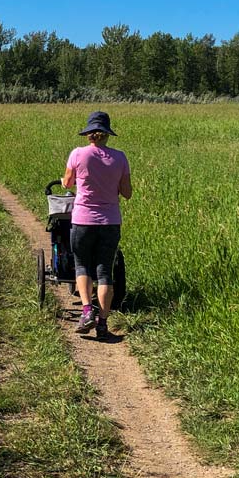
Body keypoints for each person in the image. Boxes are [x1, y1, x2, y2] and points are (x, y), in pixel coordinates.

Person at [62, 111, 132, 340]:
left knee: (81, 265)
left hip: (83, 219)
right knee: (105, 272)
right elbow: (127, 193)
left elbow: (68, 182)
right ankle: (103, 322)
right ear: (107, 135)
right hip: (110, 221)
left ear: (89, 134)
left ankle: (85, 311)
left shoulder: (78, 154)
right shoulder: (120, 158)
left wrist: (69, 181)